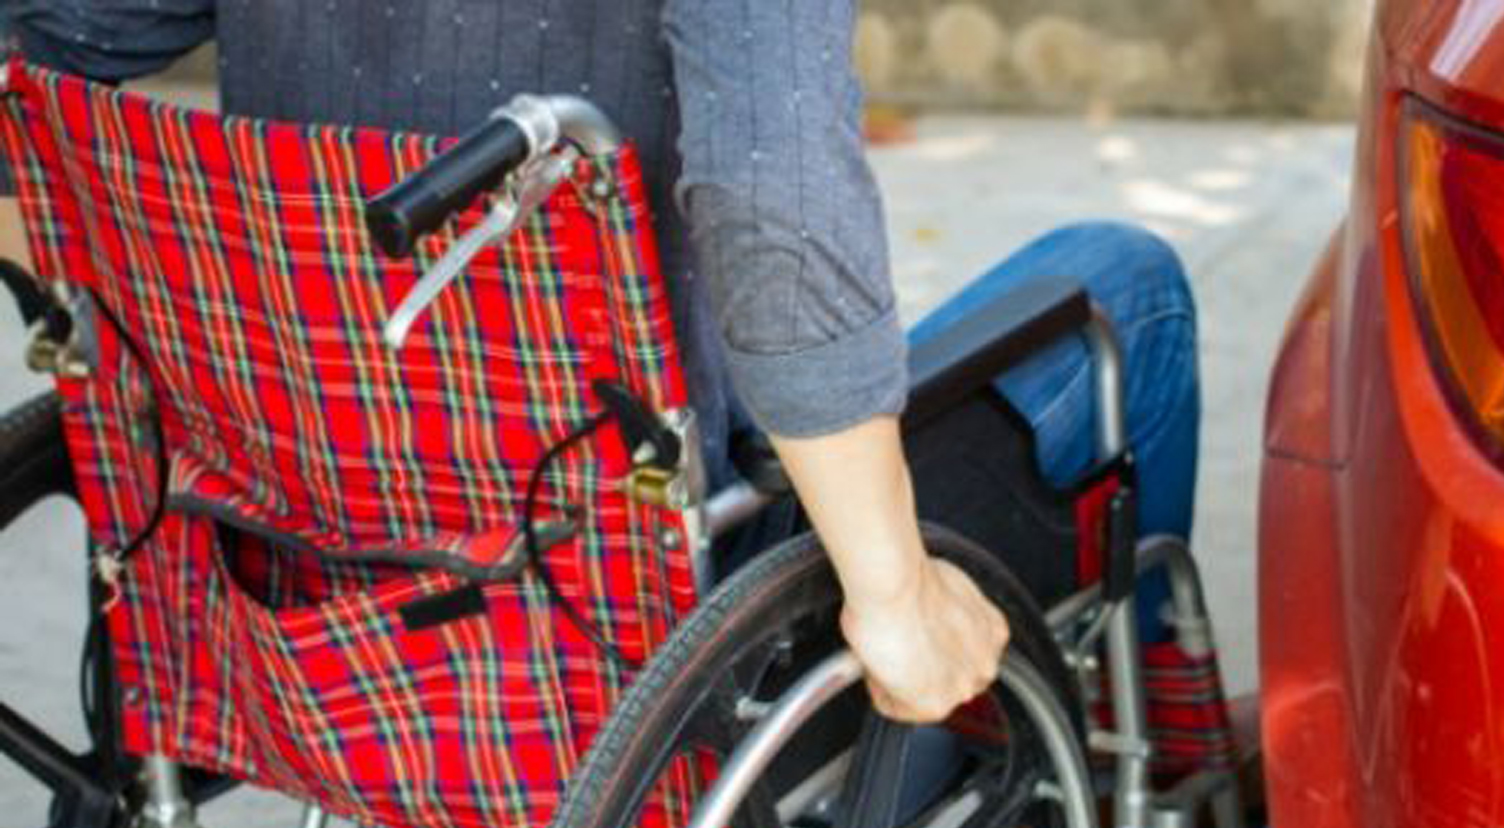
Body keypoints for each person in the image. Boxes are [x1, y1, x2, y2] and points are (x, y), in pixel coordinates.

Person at [0, 0, 1201, 726]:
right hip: (623, 573)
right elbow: (772, 208)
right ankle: (1113, 781)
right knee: (1121, 289)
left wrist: (138, 325)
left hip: (286, 535)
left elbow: (36, 53)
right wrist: (894, 596)